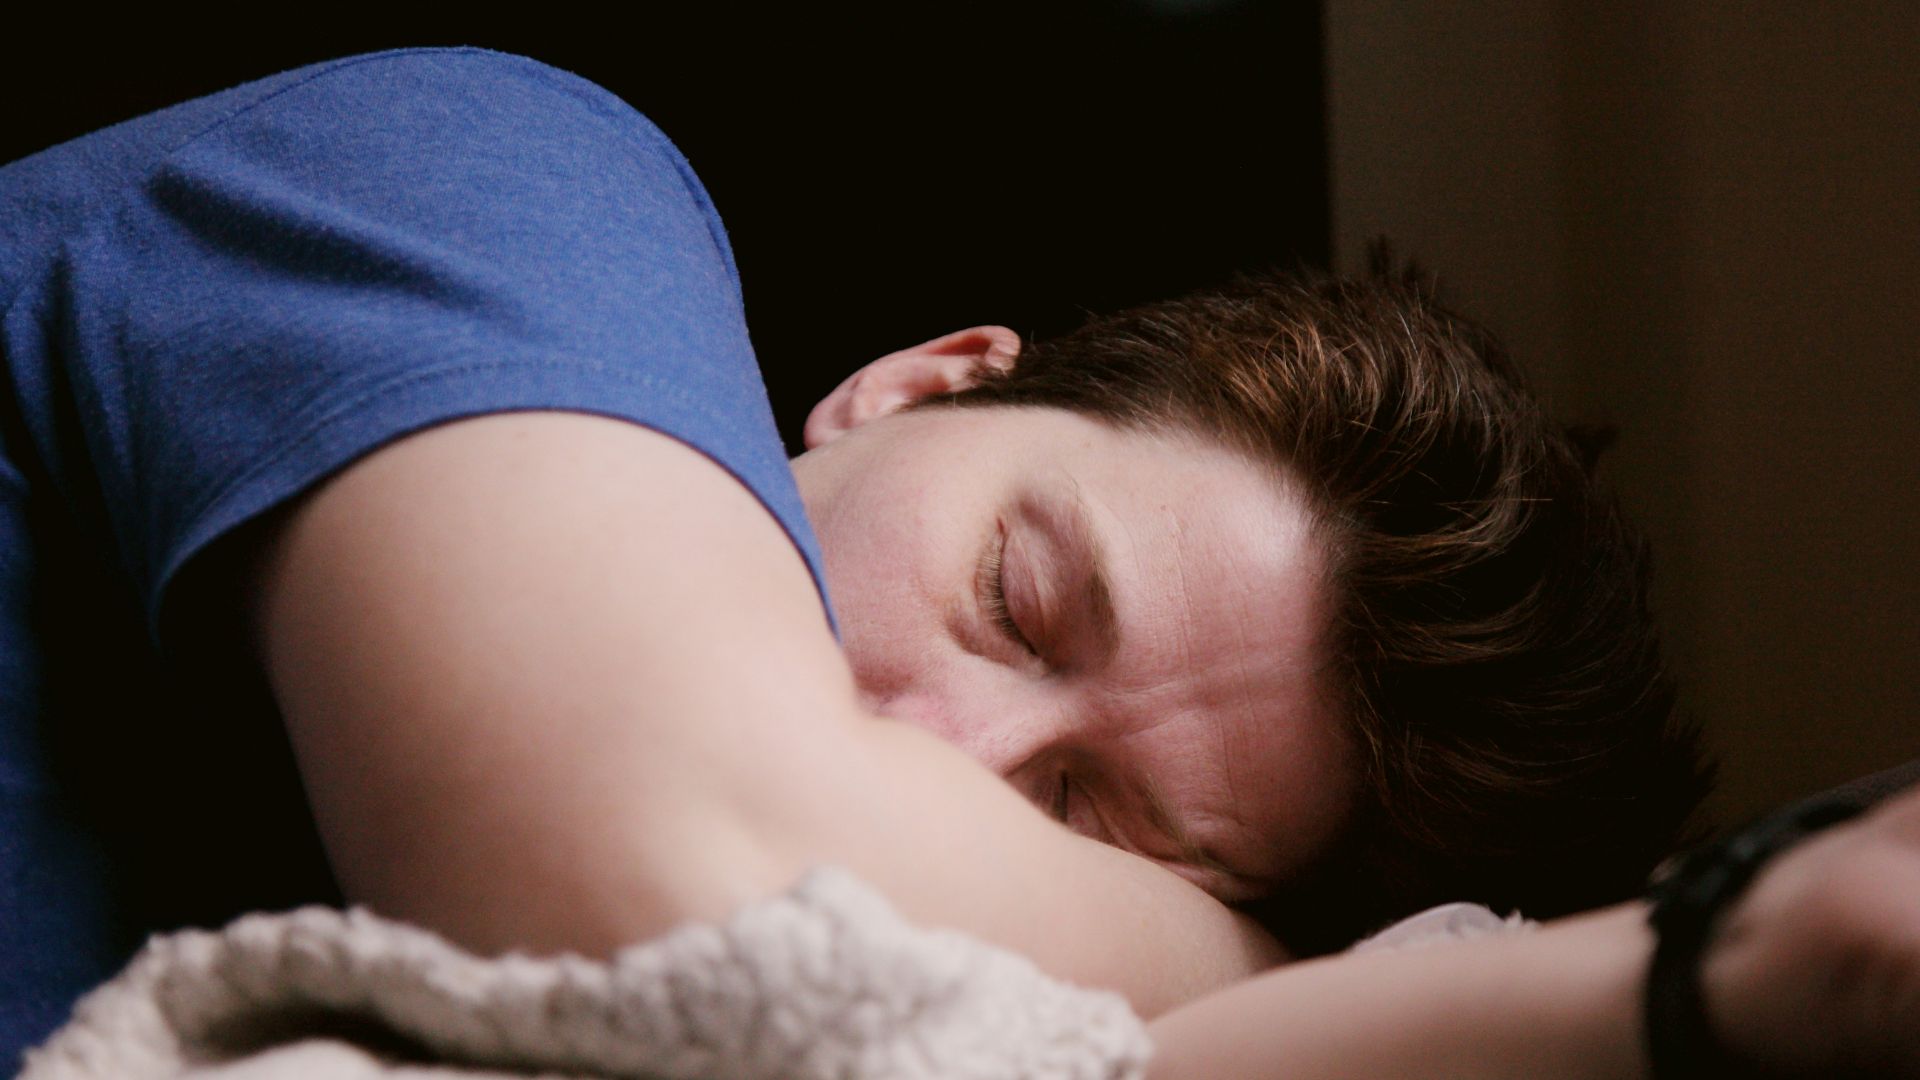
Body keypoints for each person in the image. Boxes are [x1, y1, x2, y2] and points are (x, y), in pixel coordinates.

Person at [10, 46, 1917, 1078]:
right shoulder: (498, 176)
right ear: (915, 387)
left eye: (1082, 816)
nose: (936, 754)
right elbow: (709, 893)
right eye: (1016, 594)